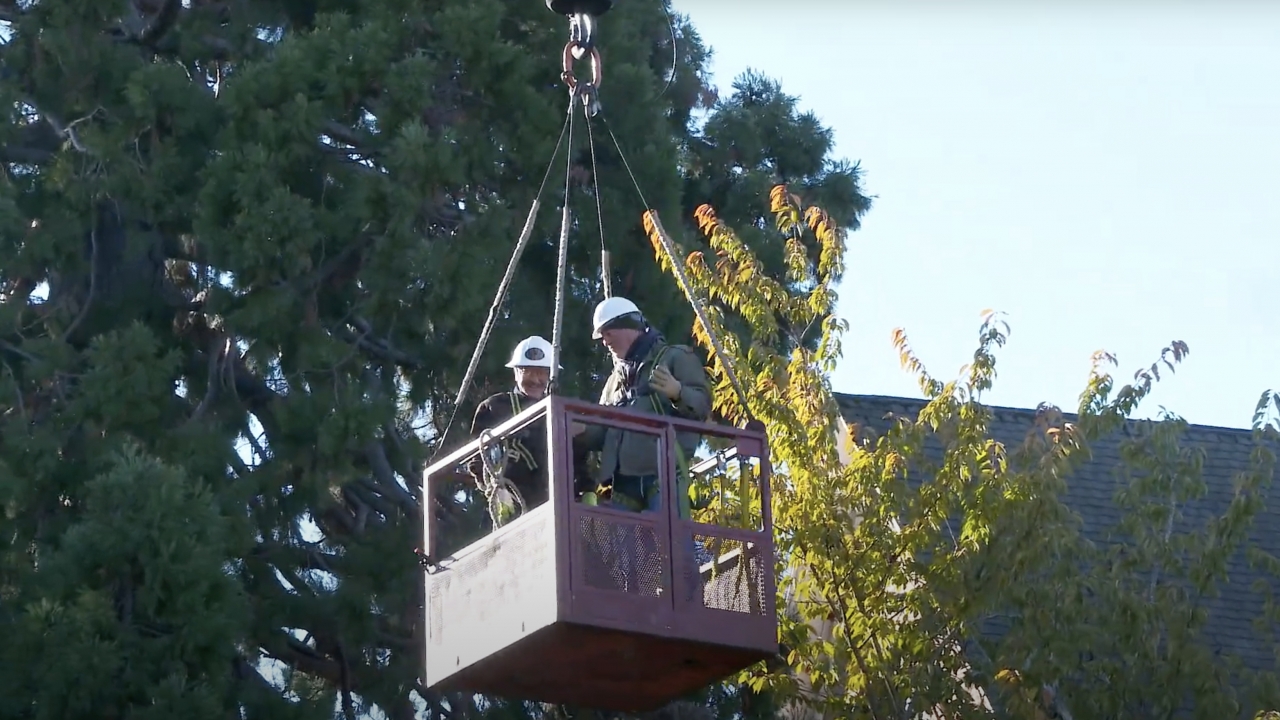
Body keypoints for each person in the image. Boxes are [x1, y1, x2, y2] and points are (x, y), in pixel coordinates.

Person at [573, 297, 711, 513]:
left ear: (629, 327)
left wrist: (678, 392)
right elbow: (604, 429)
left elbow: (702, 406)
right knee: (625, 547)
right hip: (623, 484)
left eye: (608, 333)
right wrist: (582, 430)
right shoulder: (614, 382)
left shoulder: (674, 357)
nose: (605, 341)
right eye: (601, 336)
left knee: (669, 542)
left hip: (663, 476)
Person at [469, 335, 556, 518]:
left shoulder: (557, 410)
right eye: (528, 371)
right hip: (513, 499)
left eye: (542, 372)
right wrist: (495, 490)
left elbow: (578, 457)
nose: (536, 379)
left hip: (553, 499)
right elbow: (478, 458)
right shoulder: (495, 407)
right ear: (516, 372)